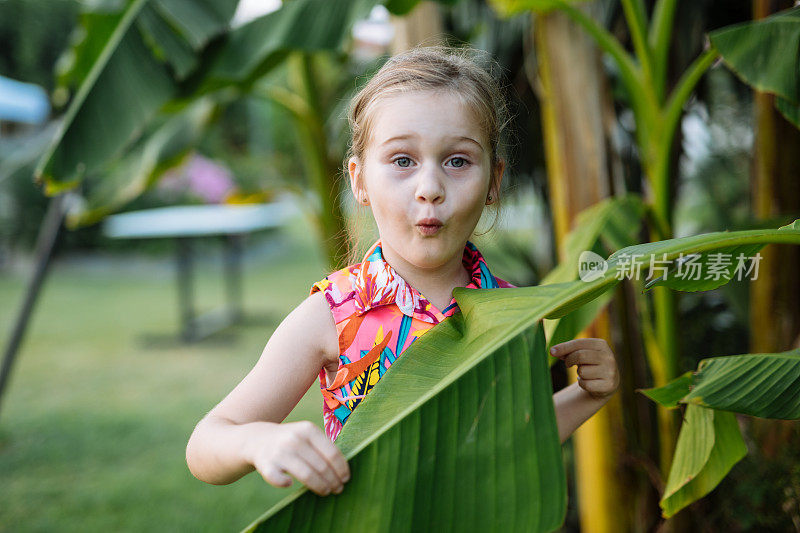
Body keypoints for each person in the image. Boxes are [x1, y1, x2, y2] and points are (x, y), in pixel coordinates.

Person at [185, 45, 620, 498]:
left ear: (493, 181)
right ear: (359, 181)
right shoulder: (334, 315)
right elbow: (206, 444)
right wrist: (258, 439)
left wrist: (586, 396)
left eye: (457, 161)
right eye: (402, 161)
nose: (429, 188)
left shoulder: (511, 311)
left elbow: (503, 446)